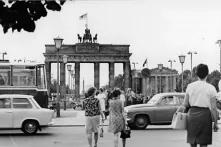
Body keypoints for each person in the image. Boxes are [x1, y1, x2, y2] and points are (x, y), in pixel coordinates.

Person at [177, 64, 218, 147]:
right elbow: (213, 108)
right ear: (207, 73)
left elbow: (185, 104)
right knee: (204, 143)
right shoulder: (211, 88)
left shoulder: (190, 86)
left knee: (193, 142)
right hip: (205, 116)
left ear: (196, 74)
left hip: (192, 115)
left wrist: (178, 112)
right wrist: (215, 122)